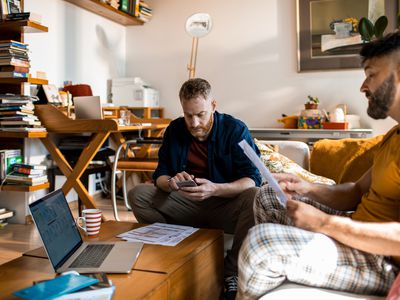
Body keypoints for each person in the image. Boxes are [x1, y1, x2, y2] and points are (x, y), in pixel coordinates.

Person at [237, 31, 400, 299]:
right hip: (358, 233)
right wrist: (307, 188)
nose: (363, 86)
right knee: (267, 196)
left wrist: (324, 223)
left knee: (262, 244)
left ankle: (270, 265)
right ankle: (274, 278)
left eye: (371, 74)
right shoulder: (393, 136)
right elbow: (356, 191)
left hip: (383, 261)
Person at [128, 78, 262, 299]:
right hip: (186, 204)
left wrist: (216, 189)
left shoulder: (235, 130)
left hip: (225, 205)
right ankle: (177, 251)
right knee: (138, 195)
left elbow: (253, 178)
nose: (194, 122)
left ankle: (231, 272)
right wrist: (170, 183)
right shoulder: (174, 129)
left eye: (201, 114)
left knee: (256, 196)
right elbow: (160, 174)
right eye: (188, 115)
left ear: (213, 106)